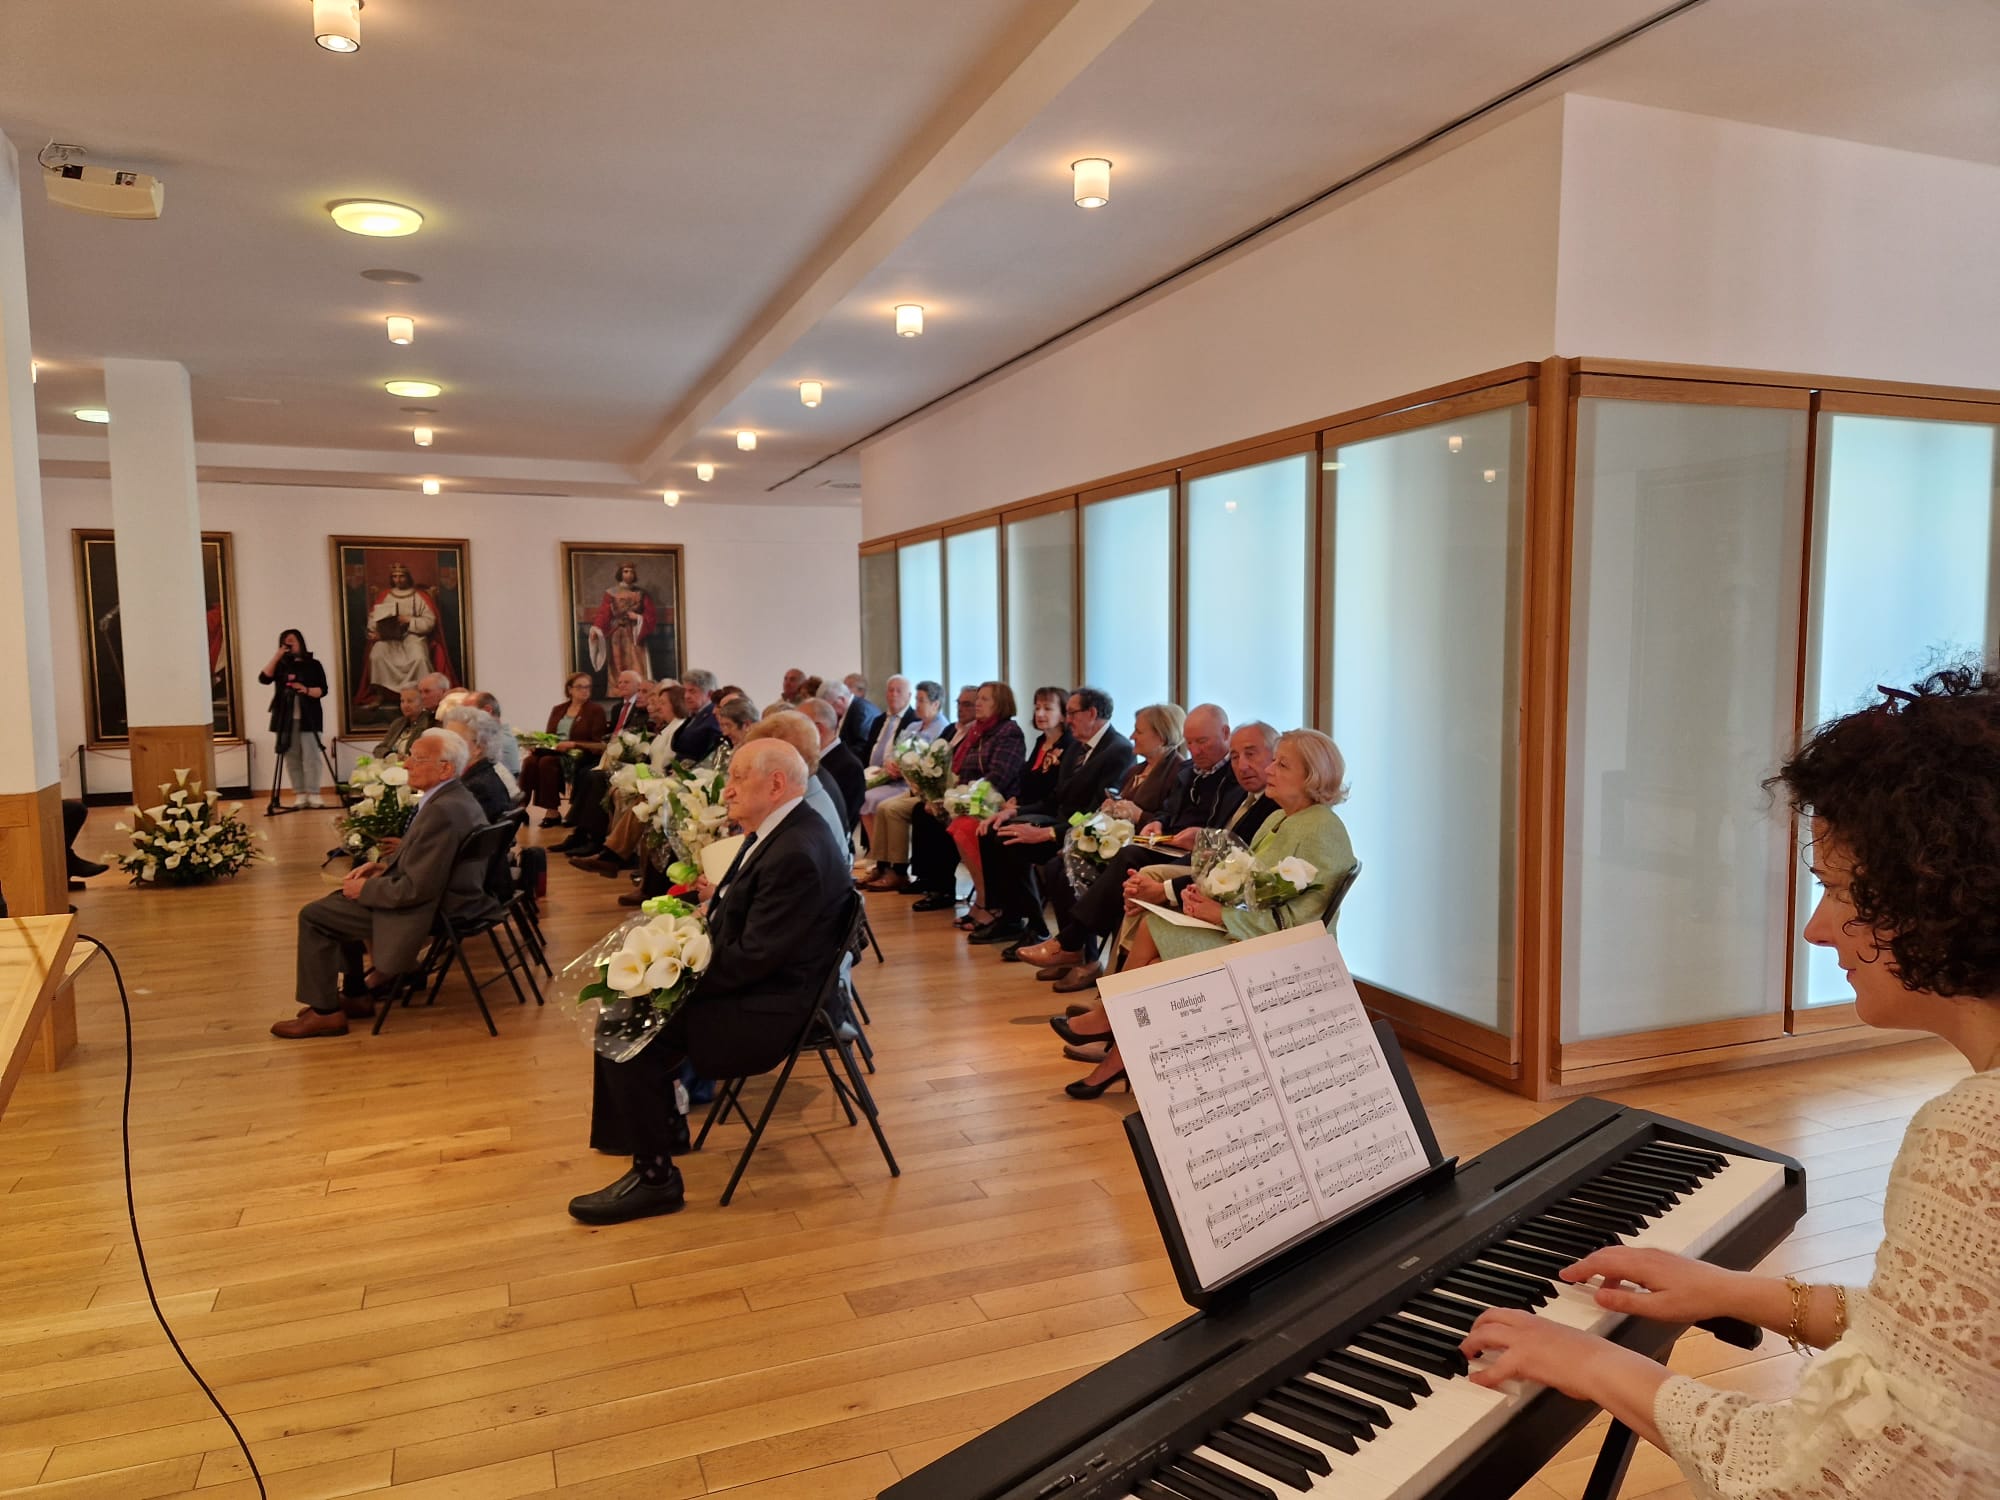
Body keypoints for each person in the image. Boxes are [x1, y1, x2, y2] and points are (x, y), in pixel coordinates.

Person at [1456, 667, 2000, 1500]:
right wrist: (1732, 1291)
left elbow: (1837, 1479)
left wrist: (1600, 1365)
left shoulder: (1976, 1135)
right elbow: (1953, 1345)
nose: (1819, 931)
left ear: (1941, 897)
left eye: (1839, 892)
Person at [571, 740, 854, 1224]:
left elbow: (755, 960)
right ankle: (660, 1132)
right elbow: (740, 923)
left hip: (771, 1008)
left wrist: (672, 978)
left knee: (631, 1025)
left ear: (777, 783)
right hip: (759, 986)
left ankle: (656, 1177)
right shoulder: (779, 830)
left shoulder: (796, 850)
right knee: (624, 1005)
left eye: (739, 777)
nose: (727, 789)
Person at [1056, 728, 1353, 1096]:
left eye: (1281, 763)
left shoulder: (1321, 829)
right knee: (1153, 931)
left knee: (1153, 949)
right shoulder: (1285, 818)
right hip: (1255, 932)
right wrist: (1209, 897)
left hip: (1283, 953)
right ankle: (1115, 1047)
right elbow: (1251, 880)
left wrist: (1220, 915)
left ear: (1312, 776)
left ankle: (1112, 1035)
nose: (1269, 769)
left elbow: (1300, 923)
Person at [274, 730, 491, 1039]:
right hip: (447, 899)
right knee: (337, 903)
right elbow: (429, 863)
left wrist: (365, 889)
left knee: (316, 915)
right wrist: (383, 866)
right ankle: (356, 995)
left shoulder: (442, 810)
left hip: (429, 911)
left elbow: (416, 890)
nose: (406, 765)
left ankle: (325, 1013)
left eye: (417, 759)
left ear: (445, 768)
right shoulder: (454, 796)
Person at [1019, 702, 1243, 987]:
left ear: (1225, 733)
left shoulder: (1230, 777)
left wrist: (1196, 834)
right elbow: (1168, 810)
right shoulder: (1188, 770)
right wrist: (1158, 822)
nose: (1196, 749)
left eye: (1203, 742)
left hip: (1190, 855)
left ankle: (1075, 947)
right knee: (1060, 866)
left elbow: (1227, 834)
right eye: (1191, 742)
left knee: (1129, 863)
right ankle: (1084, 958)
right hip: (1165, 843)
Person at [974, 686, 1135, 950]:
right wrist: (1014, 811)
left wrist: (1049, 834)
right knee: (998, 828)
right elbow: (1055, 799)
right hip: (1062, 820)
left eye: (1072, 713)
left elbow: (1100, 813)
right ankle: (1015, 919)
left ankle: (1040, 931)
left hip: (1082, 832)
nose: (1068, 719)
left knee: (1012, 840)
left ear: (1092, 713)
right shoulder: (1078, 746)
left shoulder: (1118, 750)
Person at [908, 681, 1027, 921]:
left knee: (961, 825)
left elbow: (999, 777)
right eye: (978, 698)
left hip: (996, 800)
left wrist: (963, 798)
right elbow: (962, 771)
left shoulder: (1008, 731)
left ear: (1000, 704)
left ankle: (988, 901)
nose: (978, 704)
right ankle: (958, 891)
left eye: (984, 699)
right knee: (929, 813)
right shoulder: (978, 730)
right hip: (972, 796)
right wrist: (947, 797)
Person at [860, 683, 978, 893]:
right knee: (885, 807)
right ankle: (884, 865)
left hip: (941, 791)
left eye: (967, 705)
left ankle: (898, 871)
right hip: (923, 788)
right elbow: (928, 755)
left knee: (896, 809)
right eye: (959, 704)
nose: (961, 709)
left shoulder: (965, 732)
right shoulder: (951, 729)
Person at [555, 671, 653, 857]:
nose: (639, 694)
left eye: (644, 691)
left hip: (632, 764)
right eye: (620, 682)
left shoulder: (647, 717)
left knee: (594, 776)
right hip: (615, 756)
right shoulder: (619, 709)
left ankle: (595, 838)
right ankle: (581, 832)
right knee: (586, 773)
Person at [856, 677, 937, 877]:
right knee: (864, 795)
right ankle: (881, 861)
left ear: (935, 704)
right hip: (889, 774)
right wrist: (890, 764)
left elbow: (927, 762)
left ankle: (893, 866)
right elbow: (892, 751)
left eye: (921, 701)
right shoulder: (912, 726)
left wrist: (898, 768)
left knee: (878, 802)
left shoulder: (936, 726)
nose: (893, 695)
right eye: (889, 690)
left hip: (906, 783)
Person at [357, 562, 449, 705]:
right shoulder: (385, 596)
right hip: (389, 639)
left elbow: (429, 621)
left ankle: (421, 694)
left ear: (408, 577)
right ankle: (381, 694)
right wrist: (374, 632)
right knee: (376, 655)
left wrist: (408, 620)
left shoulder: (419, 596)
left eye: (401, 576)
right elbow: (374, 618)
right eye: (395, 577)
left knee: (419, 658)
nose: (398, 580)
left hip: (413, 636)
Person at [257, 628, 329, 807]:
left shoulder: (314, 664)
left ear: (301, 643)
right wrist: (277, 656)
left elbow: (323, 690)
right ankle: (300, 793)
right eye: (285, 642)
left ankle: (314, 793)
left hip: (309, 718)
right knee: (292, 757)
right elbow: (263, 678)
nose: (289, 644)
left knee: (312, 757)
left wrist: (305, 689)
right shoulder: (280, 665)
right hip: (285, 719)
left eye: (292, 641)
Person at [524, 672, 606, 827]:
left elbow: (597, 743)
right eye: (580, 687)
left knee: (547, 762)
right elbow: (550, 735)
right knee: (530, 761)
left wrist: (573, 744)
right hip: (556, 750)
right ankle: (521, 807)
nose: (585, 691)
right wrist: (539, 744)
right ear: (570, 690)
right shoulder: (558, 709)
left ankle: (552, 811)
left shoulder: (595, 710)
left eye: (587, 687)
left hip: (579, 754)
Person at [803, 695, 867, 832]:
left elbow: (840, 823)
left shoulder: (849, 767)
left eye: (799, 725)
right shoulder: (815, 760)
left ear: (818, 730)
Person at [588, 562, 657, 683]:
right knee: (617, 664)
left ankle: (640, 690)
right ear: (620, 573)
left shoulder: (642, 593)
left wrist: (637, 617)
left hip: (636, 632)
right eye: (626, 571)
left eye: (631, 571)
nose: (629, 574)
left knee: (638, 664)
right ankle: (618, 691)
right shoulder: (611, 592)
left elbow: (651, 614)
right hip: (617, 632)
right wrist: (596, 629)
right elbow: (604, 614)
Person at [670, 669, 722, 763]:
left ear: (709, 694)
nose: (686, 696)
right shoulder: (695, 714)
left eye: (692, 691)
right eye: (685, 691)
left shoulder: (713, 716)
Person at [838, 673, 882, 759]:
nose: (843, 691)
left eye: (847, 687)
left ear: (861, 691)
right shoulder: (851, 708)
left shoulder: (863, 709)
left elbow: (861, 744)